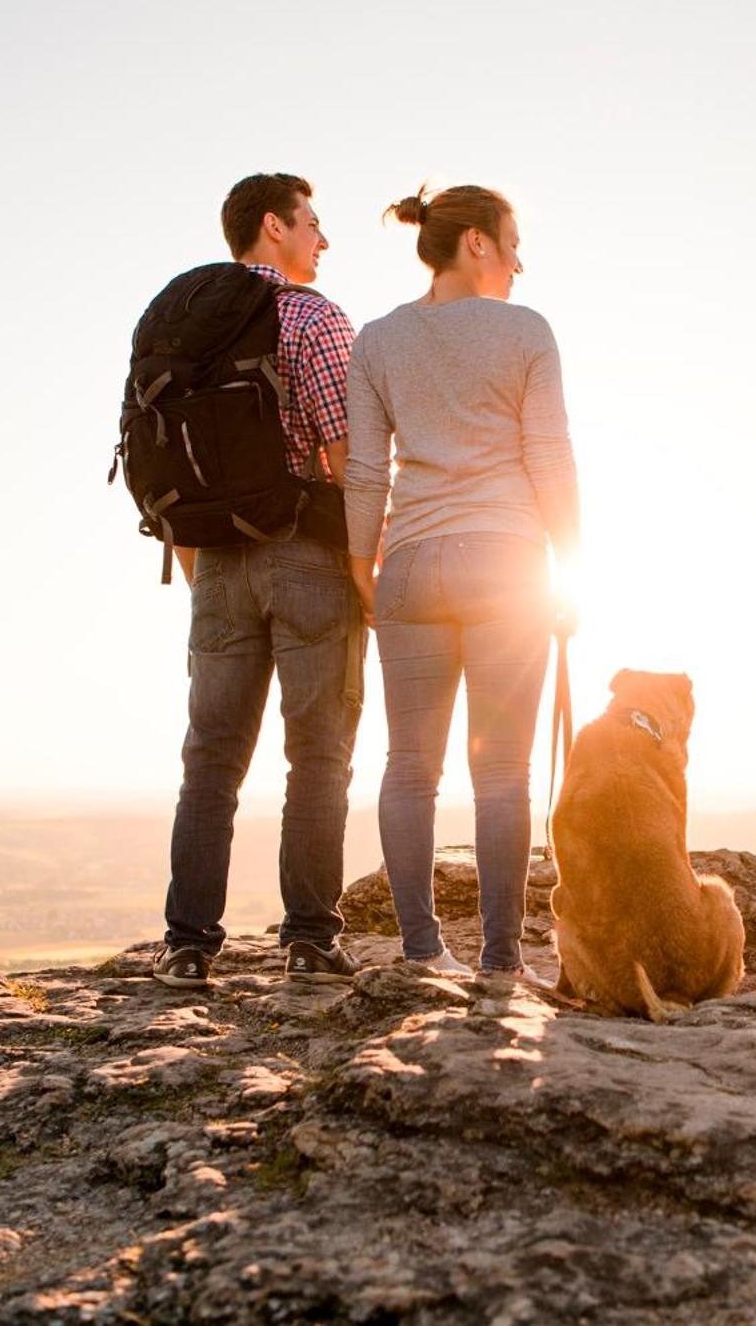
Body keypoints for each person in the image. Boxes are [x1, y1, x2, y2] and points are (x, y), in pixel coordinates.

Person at [344, 184, 581, 977]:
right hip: (504, 562)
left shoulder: (378, 338)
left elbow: (366, 471)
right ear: (476, 242)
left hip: (409, 562)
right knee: (502, 770)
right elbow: (549, 457)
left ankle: (419, 951)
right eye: (513, 243)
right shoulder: (525, 332)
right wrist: (571, 562)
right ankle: (501, 960)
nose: (520, 262)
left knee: (410, 766)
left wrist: (360, 564)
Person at [153, 173, 366, 989]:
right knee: (317, 755)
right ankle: (310, 938)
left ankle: (187, 944)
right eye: (313, 222)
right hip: (309, 556)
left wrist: (200, 560)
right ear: (274, 226)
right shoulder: (312, 316)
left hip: (213, 566)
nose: (323, 239)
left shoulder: (183, 322)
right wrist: (366, 570)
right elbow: (348, 453)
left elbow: (162, 463)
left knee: (209, 759)